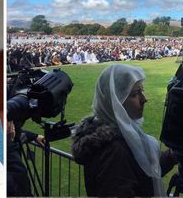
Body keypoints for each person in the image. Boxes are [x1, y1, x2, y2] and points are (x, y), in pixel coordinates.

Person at [71, 64, 177, 197]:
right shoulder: (114, 151)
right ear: (116, 101)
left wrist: (172, 156)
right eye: (135, 94)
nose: (144, 99)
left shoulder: (121, 136)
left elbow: (142, 168)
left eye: (142, 91)